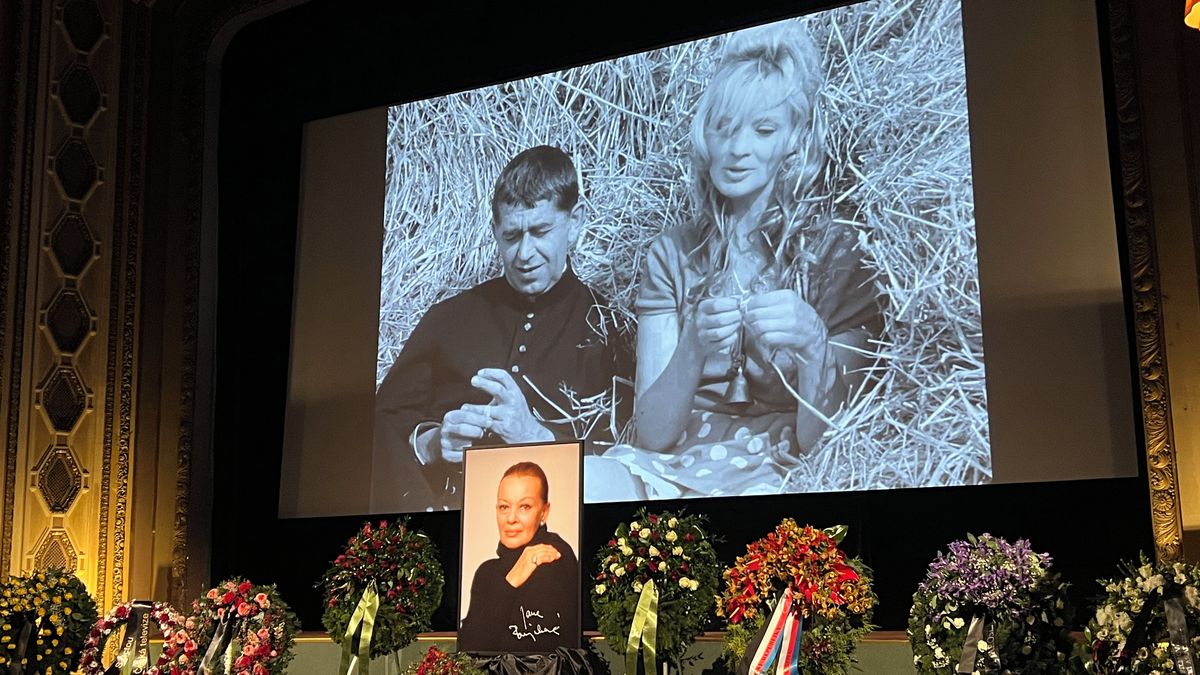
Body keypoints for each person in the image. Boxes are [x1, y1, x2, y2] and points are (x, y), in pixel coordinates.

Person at [604, 21, 882, 498]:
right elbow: (652, 434)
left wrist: (814, 343)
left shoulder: (836, 255)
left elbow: (823, 442)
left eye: (763, 129)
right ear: (705, 136)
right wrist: (692, 346)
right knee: (593, 483)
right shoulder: (672, 253)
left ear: (795, 136)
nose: (737, 149)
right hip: (676, 457)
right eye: (724, 128)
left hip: (786, 466)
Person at [372, 146, 634, 512]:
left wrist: (535, 436)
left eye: (540, 231)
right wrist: (432, 443)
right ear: (495, 230)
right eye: (511, 236)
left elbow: (630, 460)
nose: (524, 254)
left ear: (575, 222)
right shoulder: (448, 318)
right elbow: (380, 424)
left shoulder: (610, 329)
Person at [458, 461, 579, 653]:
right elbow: (468, 648)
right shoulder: (486, 573)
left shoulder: (556, 558)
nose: (511, 518)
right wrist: (513, 578)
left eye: (525, 506)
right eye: (504, 507)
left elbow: (543, 647)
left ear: (544, 512)